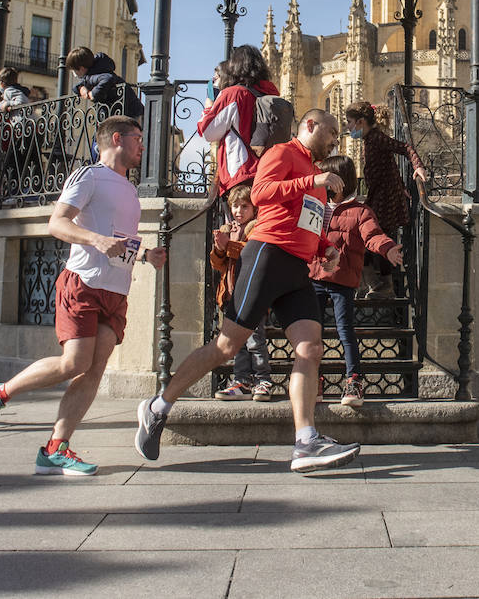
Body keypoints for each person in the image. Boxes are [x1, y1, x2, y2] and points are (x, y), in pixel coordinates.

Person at [135, 109, 361, 473]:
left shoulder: (316, 179)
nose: (337, 139)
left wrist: (324, 249)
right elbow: (262, 192)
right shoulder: (283, 154)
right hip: (267, 255)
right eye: (332, 132)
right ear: (311, 126)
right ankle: (158, 406)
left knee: (311, 348)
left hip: (296, 268)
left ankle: (306, 441)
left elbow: (306, 222)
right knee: (226, 346)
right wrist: (311, 180)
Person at [0, 115, 167, 475]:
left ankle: (57, 448)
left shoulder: (130, 190)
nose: (142, 146)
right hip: (83, 283)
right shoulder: (88, 176)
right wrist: (97, 241)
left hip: (116, 290)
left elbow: (118, 238)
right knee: (74, 364)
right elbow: (57, 223)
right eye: (138, 138)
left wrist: (146, 255)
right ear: (116, 139)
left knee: (93, 370)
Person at [310, 154, 403, 408]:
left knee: (345, 331)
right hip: (314, 277)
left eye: (326, 177)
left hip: (342, 279)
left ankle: (353, 379)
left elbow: (373, 235)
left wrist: (389, 248)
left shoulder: (360, 211)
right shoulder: (315, 205)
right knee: (312, 332)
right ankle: (313, 379)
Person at [341, 101, 428, 297]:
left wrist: (418, 167)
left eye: (349, 122)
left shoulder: (376, 138)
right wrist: (402, 186)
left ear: (361, 122)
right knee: (374, 238)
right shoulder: (370, 139)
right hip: (381, 195)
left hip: (385, 198)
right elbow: (389, 164)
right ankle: (373, 284)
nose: (347, 127)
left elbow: (404, 147)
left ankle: (378, 285)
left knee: (372, 238)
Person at [211, 183, 273, 401]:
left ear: (254, 209)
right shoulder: (230, 230)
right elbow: (219, 264)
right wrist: (219, 249)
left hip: (252, 294)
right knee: (237, 342)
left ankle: (262, 379)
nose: (238, 211)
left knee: (255, 340)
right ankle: (242, 380)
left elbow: (252, 254)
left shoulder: (256, 229)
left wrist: (228, 246)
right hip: (231, 295)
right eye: (235, 207)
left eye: (244, 206)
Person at [196, 45, 279, 197]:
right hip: (268, 171)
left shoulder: (234, 94)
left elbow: (208, 132)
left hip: (241, 173)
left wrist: (208, 107)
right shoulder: (271, 94)